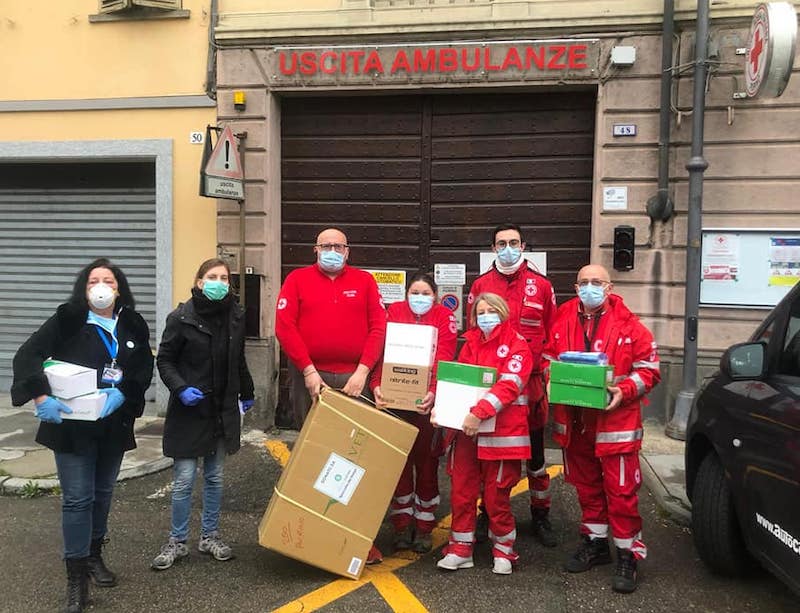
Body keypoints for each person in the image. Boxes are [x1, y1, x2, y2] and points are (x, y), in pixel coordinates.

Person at [11, 258, 154, 613]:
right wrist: (41, 396)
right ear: (85, 288)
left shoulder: (133, 323)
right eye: (94, 281)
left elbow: (142, 367)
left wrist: (124, 394)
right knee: (77, 499)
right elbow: (27, 355)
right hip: (71, 428)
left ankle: (93, 557)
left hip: (112, 424)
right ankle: (76, 581)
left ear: (119, 288)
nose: (102, 286)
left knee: (103, 493)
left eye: (108, 280)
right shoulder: (68, 319)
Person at [544, 264, 660, 593]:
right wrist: (553, 377)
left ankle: (628, 553)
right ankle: (595, 543)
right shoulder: (564, 316)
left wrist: (623, 391)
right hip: (576, 422)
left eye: (596, 282)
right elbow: (548, 356)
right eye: (583, 282)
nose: (589, 287)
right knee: (587, 488)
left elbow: (649, 369)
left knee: (621, 495)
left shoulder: (629, 324)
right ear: (575, 286)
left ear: (609, 287)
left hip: (615, 423)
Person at [275, 228, 387, 563]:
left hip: (354, 378)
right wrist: (308, 371)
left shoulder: (365, 282)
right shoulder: (297, 279)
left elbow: (378, 326)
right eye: (326, 246)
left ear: (348, 251)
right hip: (310, 377)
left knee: (354, 457)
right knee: (314, 454)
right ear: (315, 249)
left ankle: (355, 537)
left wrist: (364, 371)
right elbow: (284, 326)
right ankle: (309, 533)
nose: (333, 250)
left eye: (339, 246)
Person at [151, 258, 254, 571]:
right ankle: (177, 541)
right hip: (190, 410)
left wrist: (247, 392)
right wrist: (180, 388)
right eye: (212, 277)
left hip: (221, 410)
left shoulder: (236, 316)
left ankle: (209, 537)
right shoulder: (180, 318)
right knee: (183, 479)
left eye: (224, 278)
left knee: (215, 477)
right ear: (198, 282)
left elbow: (239, 360)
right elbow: (165, 361)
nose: (219, 282)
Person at [467, 223, 558, 546]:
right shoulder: (480, 285)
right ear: (493, 249)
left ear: (523, 246)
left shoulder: (542, 286)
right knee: (487, 455)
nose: (508, 248)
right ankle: (485, 512)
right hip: (490, 387)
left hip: (530, 388)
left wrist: (547, 374)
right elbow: (472, 333)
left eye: (514, 242)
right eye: (501, 243)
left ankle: (541, 512)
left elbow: (553, 333)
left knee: (535, 457)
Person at [434, 293, 532, 575]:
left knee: (496, 497)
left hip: (501, 434)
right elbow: (459, 382)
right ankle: (460, 548)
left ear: (503, 312)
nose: (486, 315)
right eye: (481, 311)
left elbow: (509, 386)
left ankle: (504, 550)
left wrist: (478, 412)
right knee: (462, 492)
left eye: (492, 310)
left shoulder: (517, 345)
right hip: (468, 433)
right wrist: (443, 410)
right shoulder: (472, 341)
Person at [371, 273, 458, 554]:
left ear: (434, 295)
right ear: (406, 294)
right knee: (398, 464)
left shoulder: (444, 317)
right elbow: (380, 353)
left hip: (426, 406)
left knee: (427, 464)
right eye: (414, 292)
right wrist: (375, 385)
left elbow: (445, 355)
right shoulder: (393, 312)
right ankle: (401, 525)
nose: (419, 298)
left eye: (425, 293)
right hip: (394, 402)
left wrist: (433, 391)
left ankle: (423, 526)